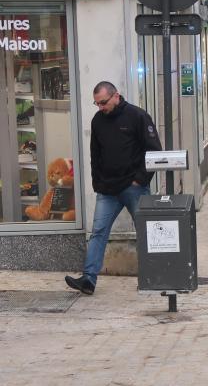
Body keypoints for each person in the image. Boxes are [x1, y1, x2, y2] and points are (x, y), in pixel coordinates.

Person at [65, 82, 162, 296]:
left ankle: (153, 277)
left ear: (116, 96)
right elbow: (95, 156)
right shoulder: (98, 121)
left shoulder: (138, 116)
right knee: (98, 232)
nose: (100, 107)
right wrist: (97, 183)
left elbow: (155, 151)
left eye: (103, 102)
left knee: (145, 233)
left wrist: (140, 179)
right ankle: (88, 280)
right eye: (97, 103)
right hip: (107, 190)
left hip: (133, 187)